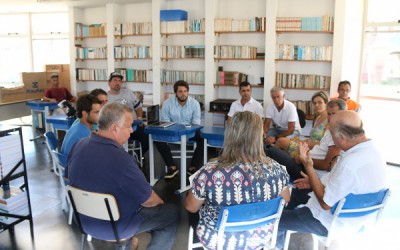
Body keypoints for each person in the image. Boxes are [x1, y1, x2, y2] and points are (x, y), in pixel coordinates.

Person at [66, 102, 180, 250]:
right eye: (129, 126)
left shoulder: (79, 145)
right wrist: (160, 205)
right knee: (170, 214)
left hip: (83, 221)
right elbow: (149, 201)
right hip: (114, 226)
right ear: (114, 128)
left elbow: (68, 179)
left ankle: (128, 244)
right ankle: (129, 242)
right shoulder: (123, 159)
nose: (132, 131)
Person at [275, 110, 387, 249]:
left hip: (329, 221)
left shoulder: (350, 163)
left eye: (332, 134)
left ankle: (279, 242)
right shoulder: (375, 152)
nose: (332, 139)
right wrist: (313, 182)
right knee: (299, 190)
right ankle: (290, 215)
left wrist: (308, 166)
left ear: (342, 137)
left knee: (275, 220)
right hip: (358, 218)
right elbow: (346, 183)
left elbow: (325, 204)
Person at [185, 111, 290, 250]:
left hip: (219, 240)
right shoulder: (278, 170)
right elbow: (285, 201)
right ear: (260, 136)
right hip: (260, 237)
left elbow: (191, 207)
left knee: (194, 208)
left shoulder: (209, 173)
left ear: (230, 135)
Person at [267, 99, 346, 208]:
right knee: (274, 152)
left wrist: (304, 160)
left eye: (334, 114)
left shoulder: (338, 135)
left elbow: (327, 165)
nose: (330, 117)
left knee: (271, 151)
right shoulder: (330, 130)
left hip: (309, 172)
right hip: (306, 162)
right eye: (329, 114)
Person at [155, 80, 203, 178]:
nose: (183, 94)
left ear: (188, 92)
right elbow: (166, 123)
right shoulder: (167, 103)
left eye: (185, 91)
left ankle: (193, 167)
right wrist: (177, 132)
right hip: (173, 131)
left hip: (190, 132)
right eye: (180, 91)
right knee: (157, 138)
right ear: (175, 93)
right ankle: (172, 167)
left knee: (203, 138)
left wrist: (187, 133)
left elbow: (196, 124)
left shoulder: (195, 104)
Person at [275, 91, 329, 157]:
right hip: (307, 145)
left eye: (320, 102)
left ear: (326, 103)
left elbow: (323, 144)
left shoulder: (329, 120)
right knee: (284, 143)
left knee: (281, 141)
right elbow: (312, 138)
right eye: (315, 103)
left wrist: (301, 142)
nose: (316, 105)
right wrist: (301, 140)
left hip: (314, 151)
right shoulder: (318, 118)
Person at [107, 72, 149, 154]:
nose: (117, 83)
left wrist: (139, 118)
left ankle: (136, 157)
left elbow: (138, 107)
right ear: (109, 83)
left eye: (119, 81)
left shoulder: (128, 92)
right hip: (116, 129)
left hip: (133, 126)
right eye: (115, 80)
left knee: (148, 137)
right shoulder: (105, 97)